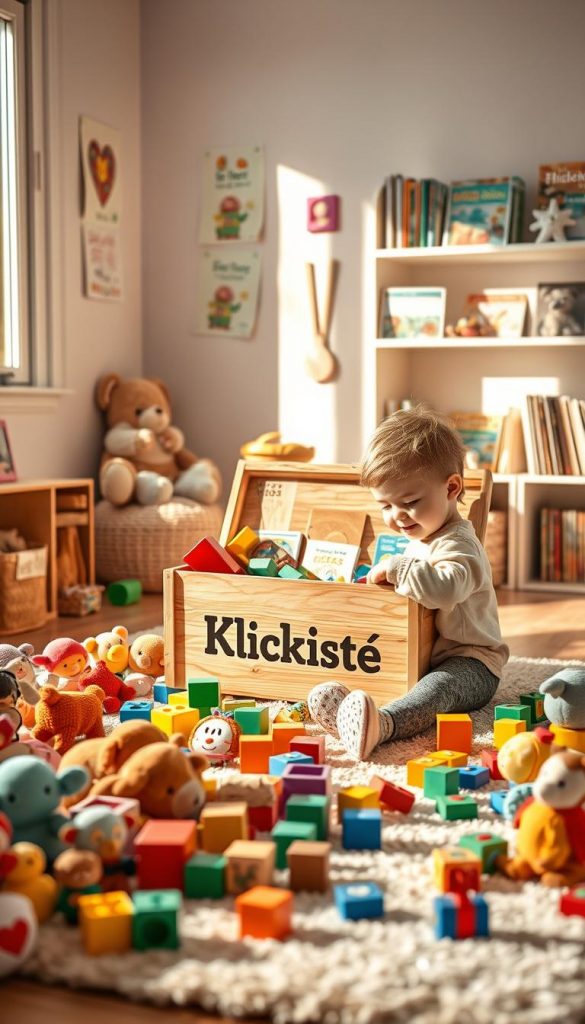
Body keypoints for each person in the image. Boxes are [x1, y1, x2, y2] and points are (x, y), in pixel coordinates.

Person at [307, 407, 508, 760]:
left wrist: (399, 568)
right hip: (427, 655)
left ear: (451, 487)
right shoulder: (424, 535)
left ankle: (383, 726)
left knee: (437, 691)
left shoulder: (460, 544)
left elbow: (446, 587)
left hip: (472, 663)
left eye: (410, 502)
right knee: (387, 675)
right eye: (385, 505)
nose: (396, 516)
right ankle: (351, 716)